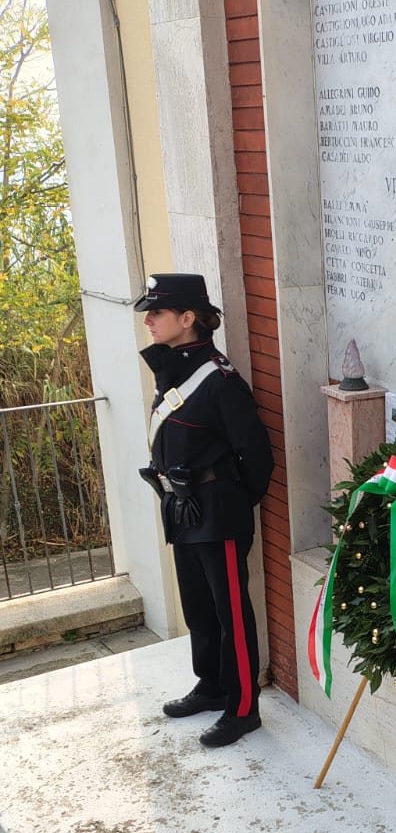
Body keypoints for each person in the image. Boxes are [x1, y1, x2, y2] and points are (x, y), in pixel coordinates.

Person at [134, 273, 274, 747]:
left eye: (157, 312)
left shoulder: (219, 380)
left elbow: (257, 456)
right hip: (181, 506)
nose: (149, 321)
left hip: (217, 511)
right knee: (198, 608)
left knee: (231, 613)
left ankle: (243, 707)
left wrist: (231, 503)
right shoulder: (173, 368)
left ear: (187, 318)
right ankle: (212, 685)